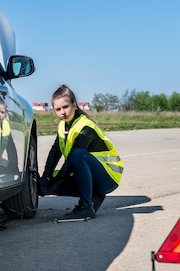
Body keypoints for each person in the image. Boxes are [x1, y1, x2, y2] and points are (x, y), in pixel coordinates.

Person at [38, 85, 123, 219]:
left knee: (78, 154)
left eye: (66, 107)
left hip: (108, 177)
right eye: (58, 109)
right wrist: (45, 178)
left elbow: (71, 161)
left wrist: (53, 187)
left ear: (74, 105)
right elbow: (55, 152)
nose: (63, 112)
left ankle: (86, 205)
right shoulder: (63, 125)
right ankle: (94, 195)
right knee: (48, 180)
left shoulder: (85, 126)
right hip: (94, 177)